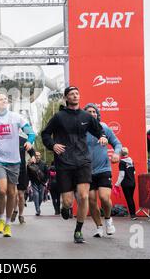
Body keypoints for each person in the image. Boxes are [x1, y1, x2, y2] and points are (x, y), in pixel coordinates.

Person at [41, 86, 108, 244]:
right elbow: (45, 134)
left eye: (77, 93)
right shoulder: (59, 117)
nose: (75, 96)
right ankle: (65, 208)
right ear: (66, 98)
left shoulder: (86, 116)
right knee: (68, 202)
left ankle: (78, 230)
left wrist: (103, 137)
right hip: (64, 162)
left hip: (83, 160)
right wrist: (53, 145)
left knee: (84, 196)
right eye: (71, 94)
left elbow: (99, 130)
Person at [0, 91, 36, 238]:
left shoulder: (16, 117)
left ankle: (8, 223)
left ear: (7, 102)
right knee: (1, 190)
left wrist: (29, 141)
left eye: (3, 99)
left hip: (14, 160)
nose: (1, 102)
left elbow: (31, 132)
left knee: (12, 193)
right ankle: (1, 218)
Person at [84, 103, 122, 238]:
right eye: (89, 112)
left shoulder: (104, 127)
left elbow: (117, 143)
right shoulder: (81, 131)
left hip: (103, 169)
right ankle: (99, 227)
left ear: (97, 114)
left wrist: (117, 153)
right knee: (92, 200)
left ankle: (108, 220)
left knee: (104, 197)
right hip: (87, 171)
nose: (92, 114)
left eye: (94, 111)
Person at [11, 135, 36, 224]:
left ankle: (21, 215)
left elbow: (32, 151)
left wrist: (33, 156)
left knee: (21, 195)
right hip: (11, 170)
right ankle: (15, 210)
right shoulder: (7, 139)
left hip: (22, 171)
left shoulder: (23, 140)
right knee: (14, 193)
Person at [114, 147, 137, 220]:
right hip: (132, 182)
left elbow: (122, 175)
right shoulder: (131, 160)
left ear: (120, 153)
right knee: (131, 198)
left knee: (129, 199)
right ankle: (133, 214)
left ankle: (133, 215)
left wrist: (116, 184)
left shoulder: (122, 162)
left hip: (126, 183)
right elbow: (134, 172)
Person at [28, 152, 48, 216]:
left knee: (41, 197)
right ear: (34, 156)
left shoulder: (43, 163)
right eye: (36, 156)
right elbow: (28, 173)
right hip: (34, 182)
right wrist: (29, 181)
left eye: (39, 155)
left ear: (40, 156)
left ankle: (38, 207)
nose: (38, 157)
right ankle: (38, 210)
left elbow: (47, 173)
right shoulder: (31, 164)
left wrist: (45, 181)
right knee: (36, 195)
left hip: (42, 182)